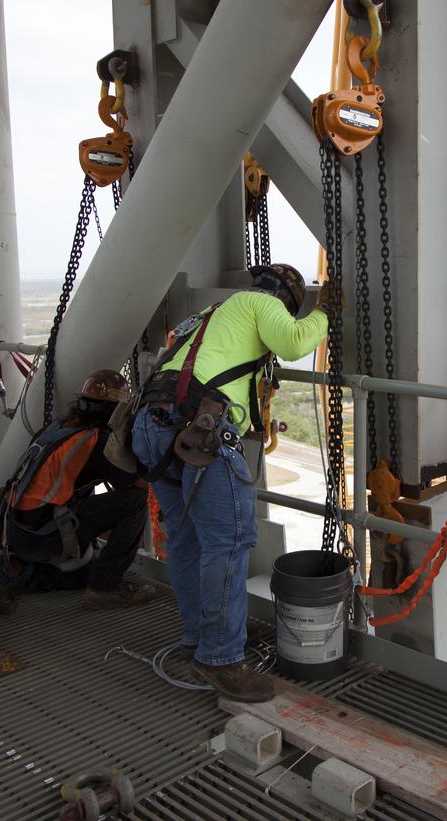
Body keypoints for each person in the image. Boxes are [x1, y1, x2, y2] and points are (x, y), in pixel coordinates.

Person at [131, 264, 334, 702]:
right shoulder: (260, 305)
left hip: (152, 424)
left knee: (186, 540)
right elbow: (296, 342)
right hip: (198, 431)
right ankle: (221, 656)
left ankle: (200, 636)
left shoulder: (211, 314)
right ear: (286, 299)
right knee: (229, 541)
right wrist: (325, 314)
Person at [0, 369, 157, 614]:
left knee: (80, 575)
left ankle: (11, 572)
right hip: (46, 533)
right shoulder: (96, 441)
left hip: (17, 530)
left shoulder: (58, 427)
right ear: (117, 411)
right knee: (135, 502)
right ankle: (104, 589)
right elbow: (137, 484)